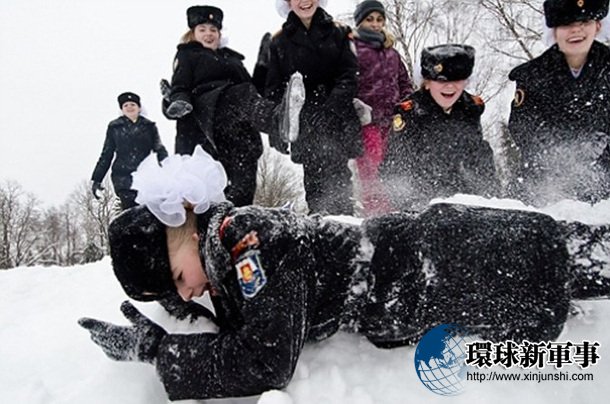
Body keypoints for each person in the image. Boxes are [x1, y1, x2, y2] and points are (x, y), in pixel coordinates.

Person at [78, 148, 610, 401]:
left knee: (575, 260)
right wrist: (167, 305)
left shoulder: (244, 237)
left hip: (450, 263)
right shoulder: (219, 247)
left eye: (175, 276)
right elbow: (222, 297)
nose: (185, 292)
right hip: (432, 271)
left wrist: (157, 352)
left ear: (186, 225)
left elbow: (266, 360)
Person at [162, 5, 285, 207]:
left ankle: (231, 227)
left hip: (239, 131)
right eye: (202, 29)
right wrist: (177, 101)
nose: (209, 34)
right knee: (242, 94)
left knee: (242, 186)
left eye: (213, 30)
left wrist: (264, 65)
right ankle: (277, 122)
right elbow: (181, 85)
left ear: (220, 34)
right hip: (211, 114)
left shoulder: (232, 59)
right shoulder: (188, 55)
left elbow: (255, 91)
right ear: (192, 33)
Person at [507, 0, 610, 206]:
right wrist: (559, 152)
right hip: (542, 188)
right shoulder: (532, 75)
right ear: (554, 31)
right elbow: (522, 126)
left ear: (597, 26)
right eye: (566, 24)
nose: (575, 30)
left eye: (584, 22)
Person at [265, 0, 363, 215]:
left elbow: (349, 75)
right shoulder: (279, 42)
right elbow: (274, 89)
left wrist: (331, 109)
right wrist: (277, 127)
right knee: (315, 185)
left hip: (337, 119)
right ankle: (319, 234)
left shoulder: (340, 33)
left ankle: (345, 232)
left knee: (339, 184)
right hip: (305, 124)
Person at [380, 44, 499, 211]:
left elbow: (479, 158)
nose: (450, 87)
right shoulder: (411, 112)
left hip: (466, 200)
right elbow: (394, 166)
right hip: (421, 202)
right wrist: (412, 204)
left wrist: (488, 197)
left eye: (456, 80)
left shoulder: (470, 108)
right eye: (442, 80)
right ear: (427, 83)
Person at [352, 0, 414, 216]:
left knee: (396, 167)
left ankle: (398, 212)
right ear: (360, 22)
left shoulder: (392, 53)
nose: (375, 24)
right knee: (373, 169)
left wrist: (408, 106)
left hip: (394, 122)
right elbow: (346, 83)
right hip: (368, 122)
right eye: (370, 19)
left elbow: (404, 83)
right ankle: (377, 214)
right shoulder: (353, 50)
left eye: (379, 19)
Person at [90, 92, 168, 210]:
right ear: (122, 109)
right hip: (123, 177)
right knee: (131, 212)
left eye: (133, 104)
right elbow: (107, 154)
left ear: (139, 108)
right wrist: (97, 179)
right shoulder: (114, 127)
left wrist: (168, 168)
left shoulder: (149, 127)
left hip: (145, 176)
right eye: (126, 105)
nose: (129, 107)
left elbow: (159, 149)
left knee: (148, 213)